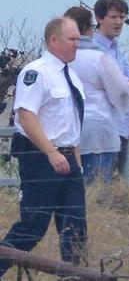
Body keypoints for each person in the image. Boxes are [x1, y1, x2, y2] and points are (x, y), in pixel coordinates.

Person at [0, 17, 87, 275]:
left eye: (78, 40)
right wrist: (50, 152)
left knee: (76, 230)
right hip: (41, 158)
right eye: (72, 40)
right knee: (32, 227)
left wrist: (76, 160)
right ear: (54, 40)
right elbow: (25, 115)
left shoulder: (71, 76)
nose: (76, 45)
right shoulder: (37, 72)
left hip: (68, 159)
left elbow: (71, 124)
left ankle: (75, 277)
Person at [65, 6, 129, 184]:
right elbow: (122, 90)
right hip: (97, 130)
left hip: (64, 130)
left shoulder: (58, 58)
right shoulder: (98, 57)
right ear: (89, 28)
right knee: (96, 188)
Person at [92, 0, 129, 177]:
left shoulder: (117, 52)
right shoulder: (93, 51)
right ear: (99, 18)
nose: (119, 22)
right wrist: (127, 87)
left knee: (119, 193)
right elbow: (116, 88)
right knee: (98, 190)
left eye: (122, 17)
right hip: (101, 133)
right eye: (113, 17)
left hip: (122, 130)